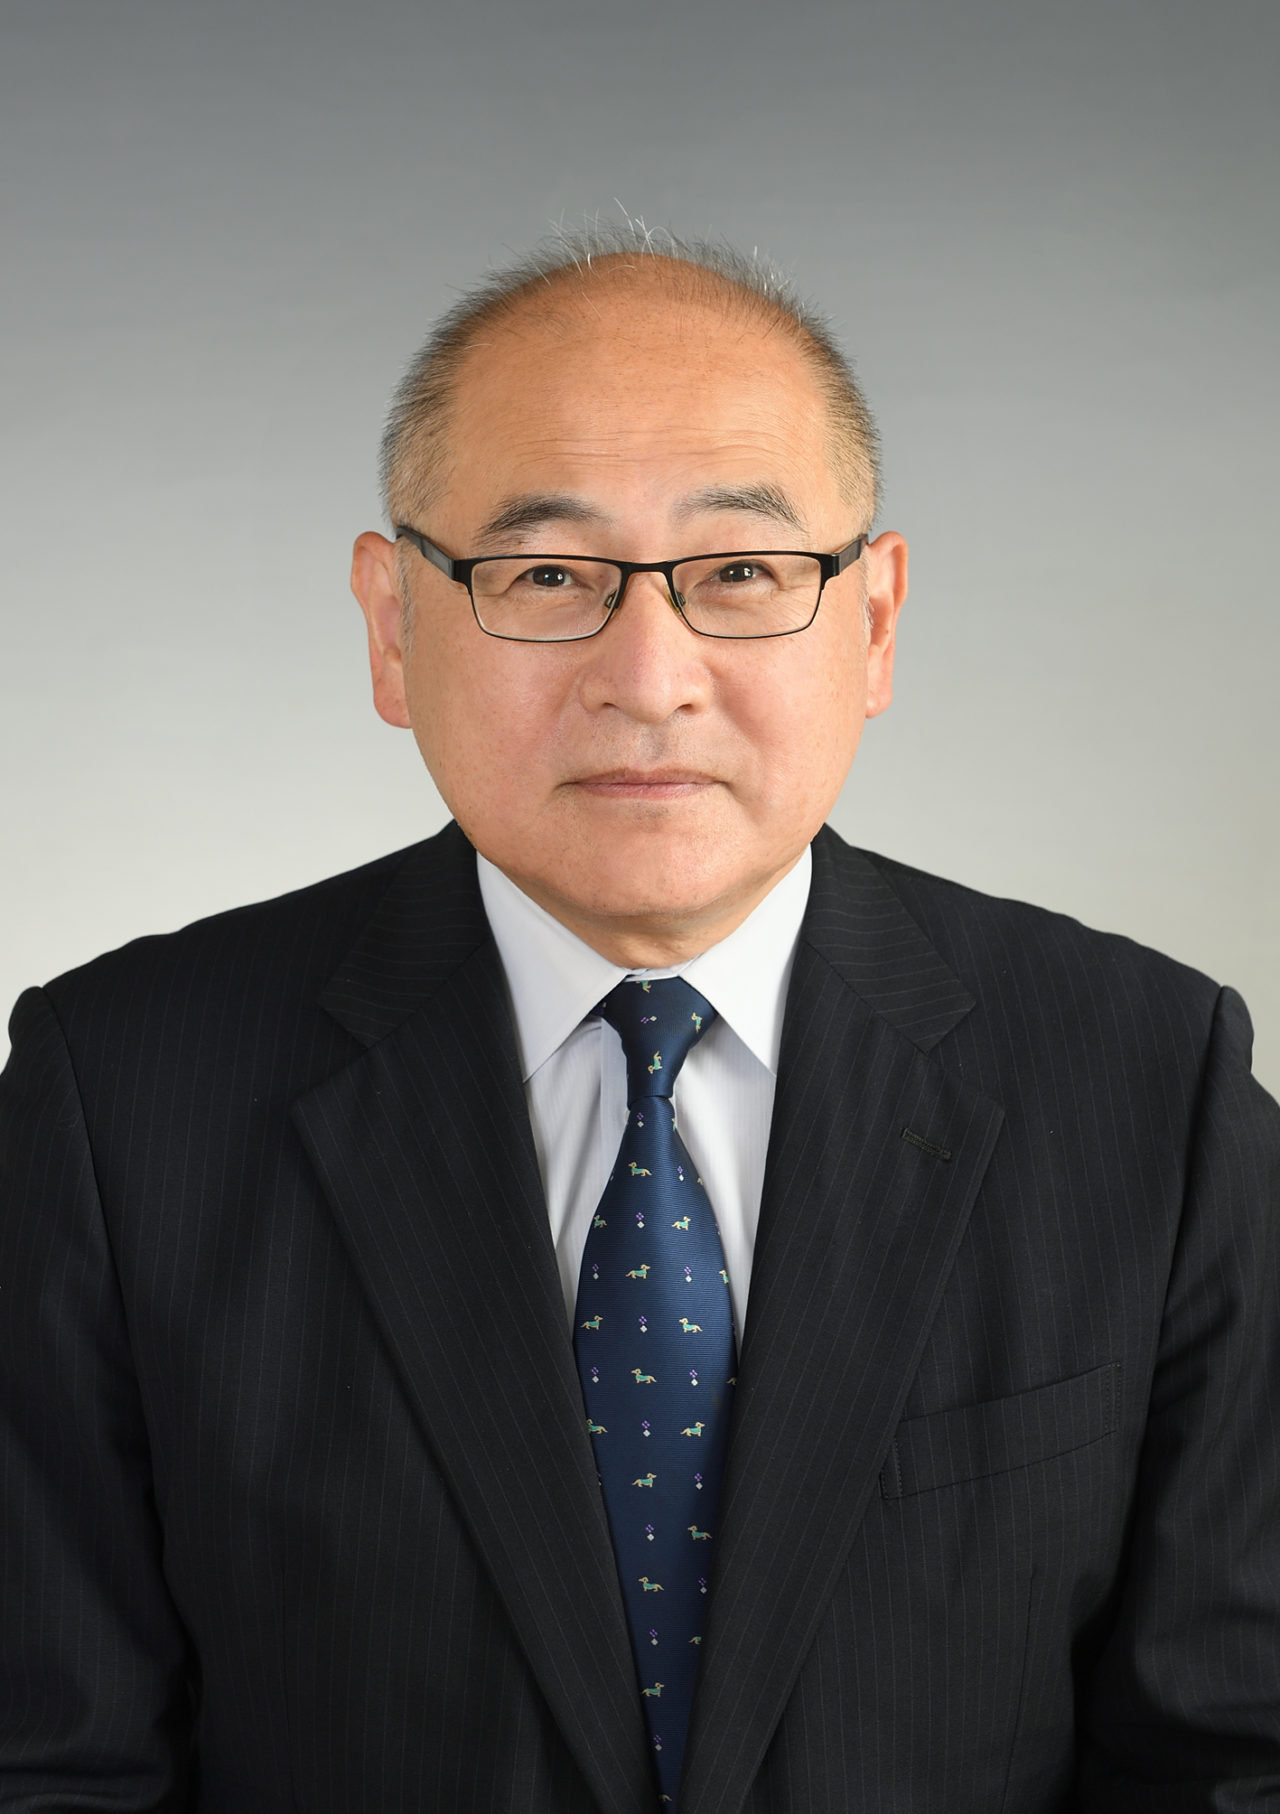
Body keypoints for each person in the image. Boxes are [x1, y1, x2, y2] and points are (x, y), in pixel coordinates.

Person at [1, 228, 1277, 1814]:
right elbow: (46, 1768)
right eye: (547, 576)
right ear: (394, 626)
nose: (650, 675)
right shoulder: (122, 1098)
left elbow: (1238, 1760)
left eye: (741, 572)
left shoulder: (1149, 1087)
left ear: (875, 621)